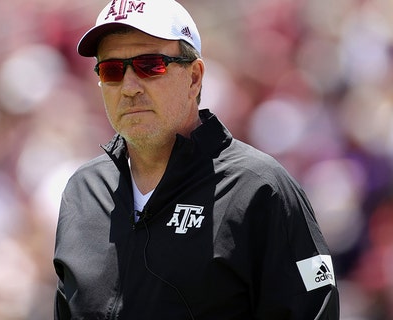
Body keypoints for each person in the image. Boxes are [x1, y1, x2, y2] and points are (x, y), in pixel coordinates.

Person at [52, 0, 340, 319]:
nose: (129, 87)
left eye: (150, 65)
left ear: (194, 78)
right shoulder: (82, 192)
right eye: (112, 70)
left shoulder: (258, 189)